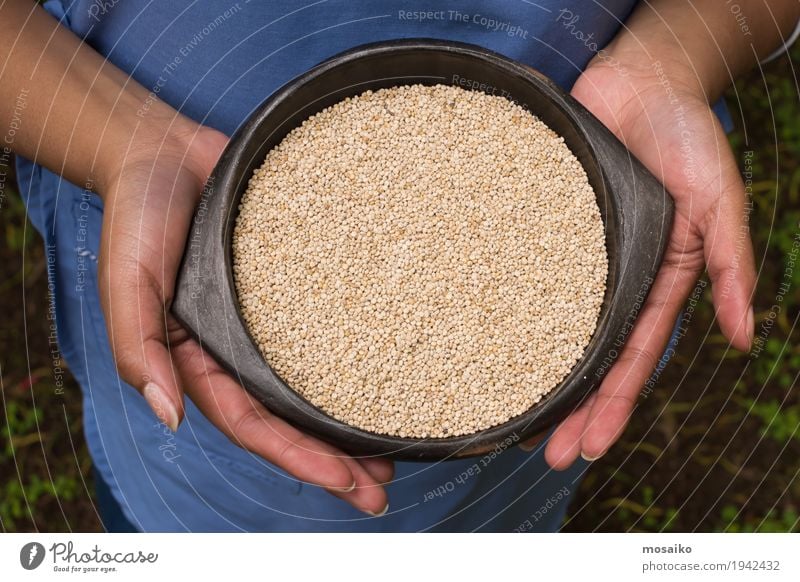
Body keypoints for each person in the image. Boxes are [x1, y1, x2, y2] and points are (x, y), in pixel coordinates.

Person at [2, 0, 797, 532]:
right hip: (177, 242)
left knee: (503, 502)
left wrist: (680, 50)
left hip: (597, 142)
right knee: (204, 506)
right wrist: (121, 142)